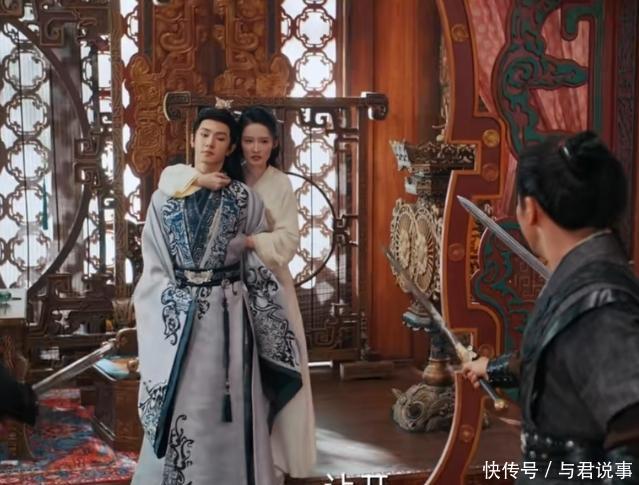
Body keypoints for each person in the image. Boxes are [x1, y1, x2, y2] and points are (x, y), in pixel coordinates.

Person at [132, 107, 303, 485]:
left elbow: (256, 266)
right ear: (192, 138)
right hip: (182, 325)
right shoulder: (163, 199)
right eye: (205, 134)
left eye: (221, 137)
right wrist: (177, 304)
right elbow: (155, 268)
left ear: (230, 148)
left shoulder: (245, 199)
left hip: (231, 320)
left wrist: (263, 311)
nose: (210, 143)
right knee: (185, 403)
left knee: (233, 404)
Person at [462, 131, 639, 483]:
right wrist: (491, 368)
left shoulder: (601, 305)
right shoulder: (583, 280)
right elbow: (561, 360)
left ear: (530, 209)